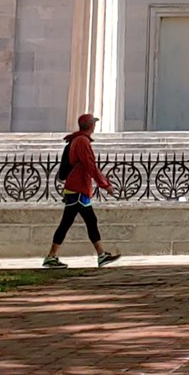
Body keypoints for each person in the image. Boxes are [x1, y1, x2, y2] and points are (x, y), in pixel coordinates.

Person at [44, 113, 122, 268]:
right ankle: (51, 256)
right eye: (93, 123)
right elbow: (90, 165)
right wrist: (105, 185)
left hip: (78, 189)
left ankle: (101, 255)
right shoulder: (82, 141)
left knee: (89, 221)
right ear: (91, 126)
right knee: (69, 222)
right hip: (78, 189)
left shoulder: (78, 140)